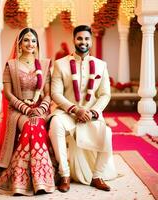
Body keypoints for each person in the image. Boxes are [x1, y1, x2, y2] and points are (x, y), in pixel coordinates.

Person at [0, 28, 55, 196]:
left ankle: (40, 179)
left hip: (40, 109)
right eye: (26, 40)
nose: (30, 44)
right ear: (19, 43)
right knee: (30, 125)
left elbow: (48, 93)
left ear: (37, 44)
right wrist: (25, 108)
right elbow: (8, 93)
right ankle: (20, 179)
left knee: (35, 126)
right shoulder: (11, 65)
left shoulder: (44, 64)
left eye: (33, 40)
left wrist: (42, 108)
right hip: (18, 109)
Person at [49, 25, 117, 193]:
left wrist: (92, 111)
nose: (83, 42)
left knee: (108, 134)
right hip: (67, 113)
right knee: (55, 124)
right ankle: (64, 174)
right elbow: (55, 93)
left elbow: (105, 95)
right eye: (79, 38)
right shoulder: (60, 64)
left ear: (91, 40)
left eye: (87, 38)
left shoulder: (101, 65)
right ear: (74, 40)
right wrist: (74, 109)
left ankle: (97, 176)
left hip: (91, 114)